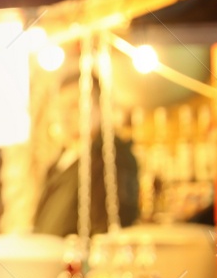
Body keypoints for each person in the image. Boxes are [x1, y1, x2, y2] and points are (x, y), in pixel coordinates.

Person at [33, 75, 139, 236]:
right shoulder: (61, 160)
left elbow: (110, 226)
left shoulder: (113, 158)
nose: (65, 116)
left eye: (75, 106)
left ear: (100, 107)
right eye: (60, 108)